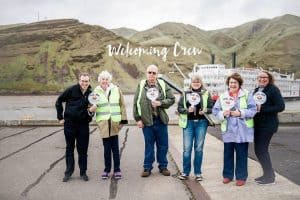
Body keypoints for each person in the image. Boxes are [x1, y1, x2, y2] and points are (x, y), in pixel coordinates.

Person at [212, 73, 257, 186]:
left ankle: (241, 177)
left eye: (235, 82)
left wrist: (240, 113)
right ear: (228, 83)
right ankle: (227, 175)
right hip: (228, 129)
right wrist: (223, 113)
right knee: (228, 153)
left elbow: (253, 109)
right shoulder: (223, 96)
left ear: (239, 84)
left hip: (242, 130)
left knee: (242, 154)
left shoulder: (247, 94)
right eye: (231, 82)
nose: (232, 84)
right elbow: (215, 111)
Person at [133, 64, 175, 177]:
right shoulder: (141, 85)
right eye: (149, 72)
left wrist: (160, 103)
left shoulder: (162, 85)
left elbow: (172, 99)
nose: (151, 75)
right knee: (149, 145)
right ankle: (147, 167)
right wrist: (138, 119)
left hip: (161, 120)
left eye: (154, 73)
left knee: (163, 145)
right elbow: (136, 102)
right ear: (146, 73)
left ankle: (163, 166)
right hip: (147, 121)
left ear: (157, 74)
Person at [89, 71, 128, 180]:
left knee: (115, 148)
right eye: (103, 79)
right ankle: (106, 169)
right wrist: (92, 110)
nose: (105, 81)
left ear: (109, 80)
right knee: (106, 149)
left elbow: (122, 105)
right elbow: (90, 108)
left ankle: (117, 170)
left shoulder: (116, 89)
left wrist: (123, 121)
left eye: (107, 79)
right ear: (99, 80)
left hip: (115, 122)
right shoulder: (95, 92)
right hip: (103, 124)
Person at [55, 72, 93, 182]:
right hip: (70, 124)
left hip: (83, 125)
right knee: (69, 149)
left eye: (86, 81)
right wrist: (60, 117)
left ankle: (83, 172)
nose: (84, 83)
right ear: (79, 81)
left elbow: (91, 109)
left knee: (83, 150)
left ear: (89, 82)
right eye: (82, 81)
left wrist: (91, 112)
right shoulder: (71, 90)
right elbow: (59, 101)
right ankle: (68, 172)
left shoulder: (91, 94)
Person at [177, 74, 214, 181]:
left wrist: (206, 110)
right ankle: (185, 172)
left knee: (198, 149)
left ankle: (198, 173)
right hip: (188, 123)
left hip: (201, 123)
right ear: (191, 83)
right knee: (187, 149)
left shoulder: (206, 93)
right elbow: (179, 108)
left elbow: (212, 107)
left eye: (198, 82)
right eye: (194, 82)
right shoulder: (185, 93)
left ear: (201, 83)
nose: (196, 83)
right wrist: (186, 110)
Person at [253, 71, 285, 185]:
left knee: (261, 150)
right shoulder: (257, 90)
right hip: (258, 125)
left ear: (269, 78)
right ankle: (267, 174)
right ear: (257, 78)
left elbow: (281, 106)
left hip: (268, 125)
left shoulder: (273, 89)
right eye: (260, 77)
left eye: (265, 77)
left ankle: (270, 177)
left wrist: (263, 110)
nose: (262, 79)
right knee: (259, 150)